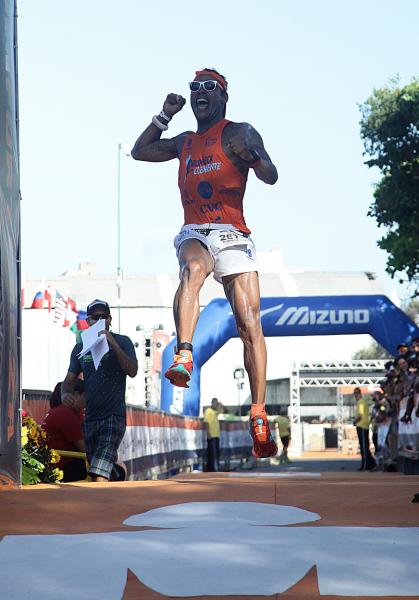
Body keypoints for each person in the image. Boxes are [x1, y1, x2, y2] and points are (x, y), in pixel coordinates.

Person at [131, 68, 278, 459]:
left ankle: (258, 414)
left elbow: (271, 175)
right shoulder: (185, 142)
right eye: (194, 87)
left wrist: (254, 157)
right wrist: (164, 115)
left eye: (208, 88)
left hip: (232, 233)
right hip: (195, 229)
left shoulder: (240, 132)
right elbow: (140, 151)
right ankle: (184, 354)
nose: (200, 92)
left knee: (249, 322)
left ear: (223, 96)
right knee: (193, 269)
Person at [61, 299, 138, 482]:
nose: (100, 321)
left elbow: (133, 371)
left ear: (110, 320)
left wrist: (113, 344)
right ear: (88, 321)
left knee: (98, 473)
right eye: (96, 317)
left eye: (104, 317)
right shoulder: (81, 347)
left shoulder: (123, 341)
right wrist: (65, 394)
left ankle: (104, 489)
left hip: (113, 416)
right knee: (98, 469)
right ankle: (117, 476)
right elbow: (68, 381)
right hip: (91, 417)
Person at [42, 380, 87, 482]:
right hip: (61, 467)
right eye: (85, 396)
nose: (87, 401)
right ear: (76, 395)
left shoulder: (60, 411)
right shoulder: (65, 414)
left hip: (57, 464)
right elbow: (84, 447)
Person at [353, 387, 376, 471]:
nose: (356, 396)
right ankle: (370, 463)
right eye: (355, 394)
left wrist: (355, 421)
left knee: (364, 447)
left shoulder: (361, 403)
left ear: (360, 394)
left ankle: (366, 465)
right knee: (364, 446)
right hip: (362, 426)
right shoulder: (361, 402)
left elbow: (360, 415)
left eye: (357, 394)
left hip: (362, 426)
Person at [203, 398, 226, 472]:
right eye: (214, 403)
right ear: (211, 403)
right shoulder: (208, 411)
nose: (215, 404)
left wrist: (221, 405)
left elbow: (225, 411)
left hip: (216, 435)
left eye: (216, 403)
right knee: (213, 454)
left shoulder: (216, 411)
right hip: (211, 435)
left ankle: (210, 469)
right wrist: (208, 434)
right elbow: (206, 423)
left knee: (215, 453)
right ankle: (215, 469)